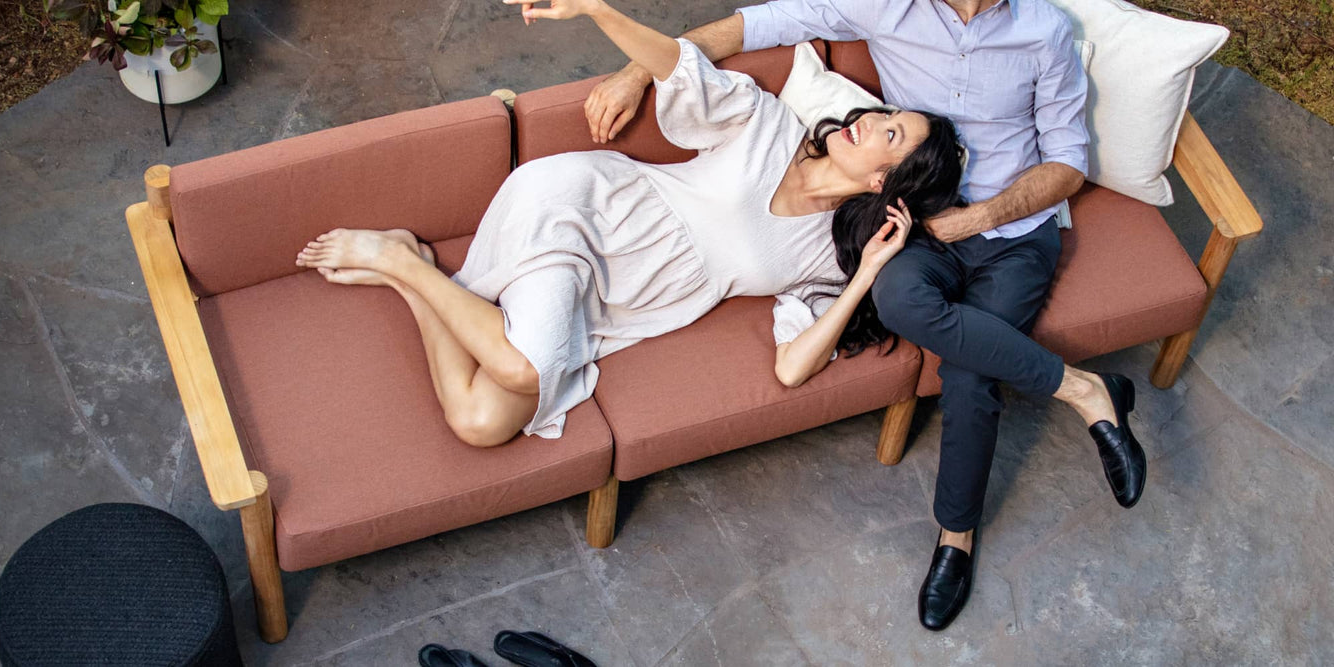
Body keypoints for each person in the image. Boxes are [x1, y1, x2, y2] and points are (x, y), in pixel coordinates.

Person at [580, 0, 1148, 632]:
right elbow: (757, 25)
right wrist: (638, 71)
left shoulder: (1043, 31)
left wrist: (980, 218)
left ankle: (954, 539)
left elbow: (1069, 163)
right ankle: (1083, 388)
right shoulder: (886, 5)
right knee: (899, 298)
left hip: (1013, 233)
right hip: (921, 231)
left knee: (966, 374)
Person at [292, 0, 964, 452]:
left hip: (618, 302)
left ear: (885, 182)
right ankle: (404, 264)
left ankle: (412, 268)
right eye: (883, 112)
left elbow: (792, 369)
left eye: (892, 131)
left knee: (480, 422)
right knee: (523, 369)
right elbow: (679, 67)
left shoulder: (829, 253)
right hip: (586, 209)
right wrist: (596, 8)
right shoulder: (767, 122)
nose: (871, 118)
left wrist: (867, 275)